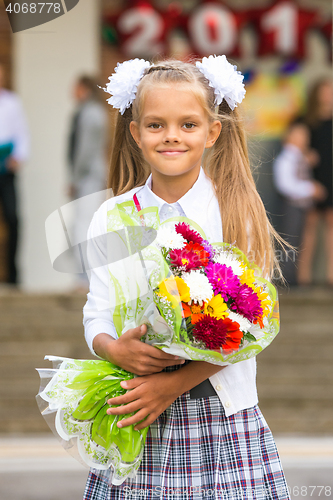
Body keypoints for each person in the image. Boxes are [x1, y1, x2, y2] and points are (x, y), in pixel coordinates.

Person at [82, 57, 290, 499]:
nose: (172, 135)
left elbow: (251, 324)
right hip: (138, 413)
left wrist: (172, 384)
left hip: (223, 416)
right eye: (156, 125)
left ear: (212, 132)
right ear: (135, 133)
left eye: (188, 124)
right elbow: (96, 314)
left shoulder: (234, 210)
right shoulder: (111, 216)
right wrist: (114, 346)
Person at [67, 75, 108, 291]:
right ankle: (84, 276)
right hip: (88, 177)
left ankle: (85, 278)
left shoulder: (91, 114)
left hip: (88, 177)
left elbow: (85, 150)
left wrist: (75, 178)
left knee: (85, 227)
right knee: (81, 225)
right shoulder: (88, 112)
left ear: (83, 88)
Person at [273, 121, 326, 286]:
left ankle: (296, 277)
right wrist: (311, 189)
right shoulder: (287, 158)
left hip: (301, 207)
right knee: (290, 242)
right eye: (300, 134)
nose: (304, 138)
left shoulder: (300, 157)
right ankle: (288, 278)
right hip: (291, 207)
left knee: (299, 242)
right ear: (289, 137)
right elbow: (285, 185)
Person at [297, 79, 333, 286]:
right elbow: (292, 144)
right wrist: (305, 154)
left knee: (330, 225)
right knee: (309, 225)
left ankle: (330, 276)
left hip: (330, 177)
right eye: (324, 91)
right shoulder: (305, 121)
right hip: (310, 179)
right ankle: (303, 276)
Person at [0, 62, 29, 285]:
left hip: (6, 169)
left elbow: (21, 133)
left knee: (13, 218)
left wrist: (17, 157)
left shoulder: (12, 102)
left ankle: (12, 275)